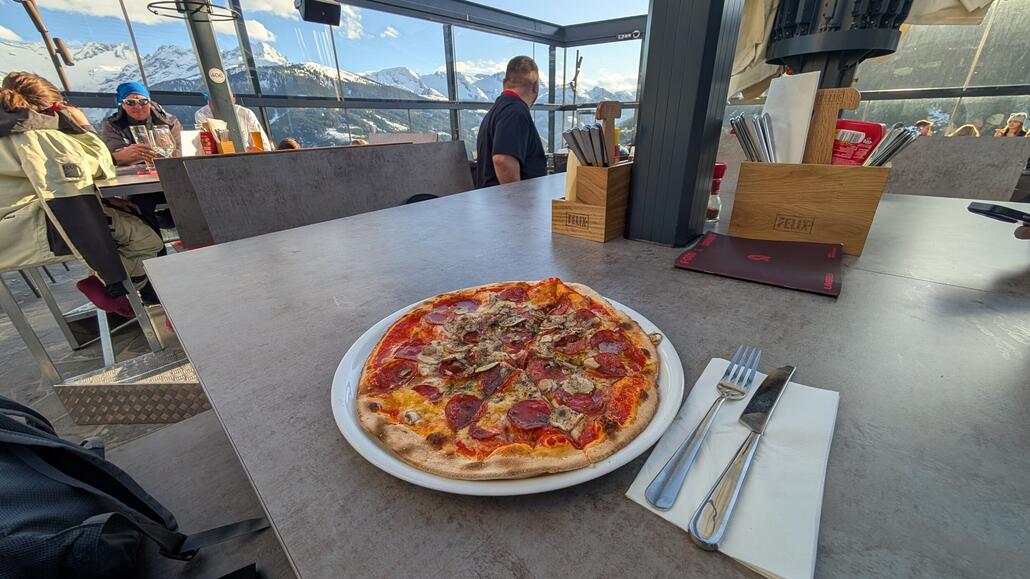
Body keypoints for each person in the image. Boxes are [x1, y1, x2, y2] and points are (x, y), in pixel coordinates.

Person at [0, 72, 164, 308]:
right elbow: (99, 167)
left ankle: (123, 284)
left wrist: (104, 201)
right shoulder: (36, 133)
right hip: (36, 229)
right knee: (148, 240)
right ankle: (121, 291)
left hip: (17, 225)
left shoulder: (10, 129)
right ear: (53, 106)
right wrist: (81, 124)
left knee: (132, 214)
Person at [474, 56, 546, 188]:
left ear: (505, 83)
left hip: (494, 202)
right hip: (507, 205)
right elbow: (502, 160)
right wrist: (516, 202)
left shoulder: (499, 108)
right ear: (535, 86)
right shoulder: (515, 111)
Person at [100, 82, 182, 165]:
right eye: (131, 102)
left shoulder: (170, 121)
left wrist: (138, 154)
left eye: (143, 101)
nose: (138, 107)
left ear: (149, 103)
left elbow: (182, 151)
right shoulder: (112, 125)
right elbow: (113, 156)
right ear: (123, 105)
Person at [194, 93, 270, 151]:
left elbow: (261, 140)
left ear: (233, 100)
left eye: (224, 101)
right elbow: (207, 142)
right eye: (212, 102)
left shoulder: (245, 113)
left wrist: (261, 152)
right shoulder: (202, 114)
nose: (218, 106)